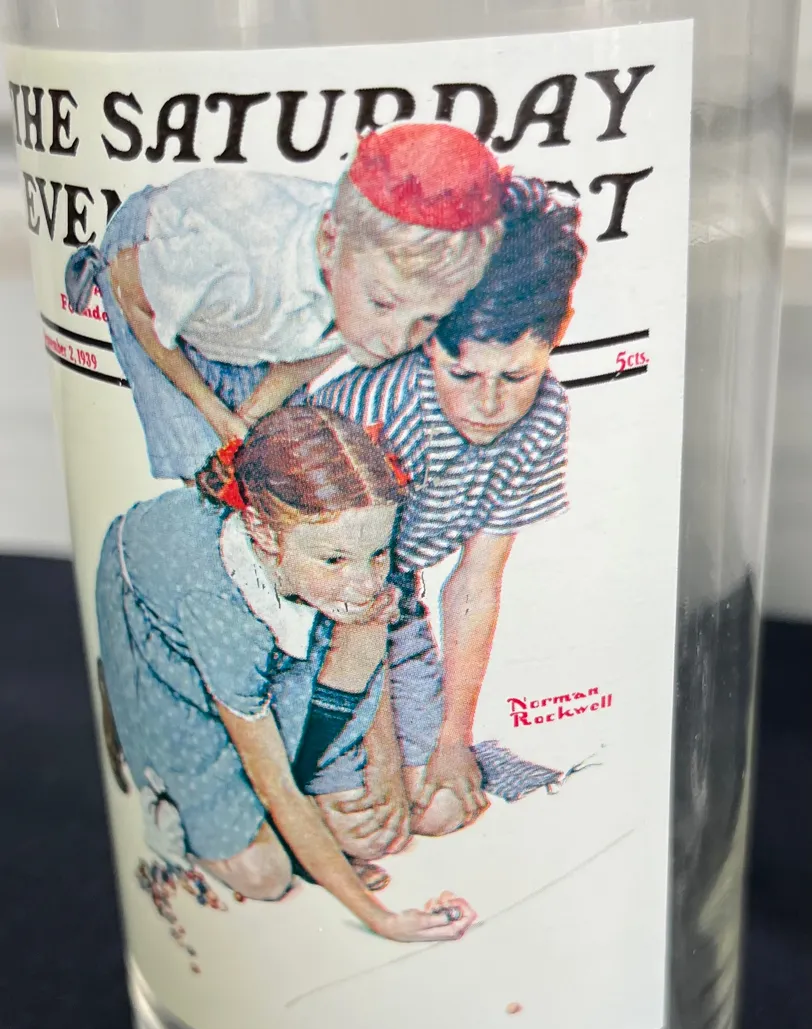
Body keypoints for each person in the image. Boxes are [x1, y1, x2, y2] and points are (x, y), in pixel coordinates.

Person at [95, 405, 474, 943]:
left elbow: (369, 655)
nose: (366, 582)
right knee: (265, 874)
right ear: (262, 534)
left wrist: (386, 765)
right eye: (335, 561)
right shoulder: (220, 610)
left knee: (361, 814)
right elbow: (272, 781)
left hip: (267, 612)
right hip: (153, 620)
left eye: (377, 554)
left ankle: (302, 829)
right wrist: (380, 917)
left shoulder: (342, 556)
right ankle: (142, 732)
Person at [298, 177, 586, 832]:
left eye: (515, 375)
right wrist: (379, 757)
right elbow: (343, 599)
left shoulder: (545, 416)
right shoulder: (376, 409)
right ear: (430, 341)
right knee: (365, 820)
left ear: (558, 336)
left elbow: (476, 581)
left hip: (387, 604)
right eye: (463, 375)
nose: (489, 405)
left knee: (438, 810)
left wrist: (453, 740)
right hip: (310, 601)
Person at [66, 124, 505, 480]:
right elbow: (128, 284)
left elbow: (330, 342)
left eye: (428, 319)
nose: (396, 342)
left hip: (261, 322)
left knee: (267, 461)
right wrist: (215, 415)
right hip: (148, 271)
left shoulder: (363, 286)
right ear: (329, 242)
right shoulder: (233, 272)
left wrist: (250, 414)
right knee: (198, 460)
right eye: (382, 304)